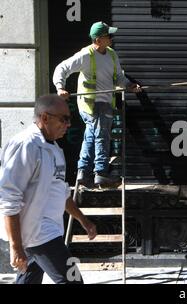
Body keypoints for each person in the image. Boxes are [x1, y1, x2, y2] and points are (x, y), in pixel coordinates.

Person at [0, 95, 97, 284]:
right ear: (45, 118)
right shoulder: (26, 145)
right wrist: (16, 246)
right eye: (64, 119)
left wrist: (83, 220)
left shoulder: (54, 149)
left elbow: (61, 192)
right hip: (39, 234)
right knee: (73, 281)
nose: (68, 124)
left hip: (45, 231)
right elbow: (9, 196)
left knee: (29, 280)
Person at [53, 21, 141, 187]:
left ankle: (83, 171)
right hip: (90, 104)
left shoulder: (112, 55)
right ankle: (101, 172)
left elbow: (119, 78)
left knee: (91, 134)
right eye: (109, 36)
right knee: (101, 134)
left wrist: (129, 85)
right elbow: (62, 68)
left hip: (106, 102)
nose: (112, 38)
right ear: (98, 40)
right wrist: (60, 87)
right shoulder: (86, 55)